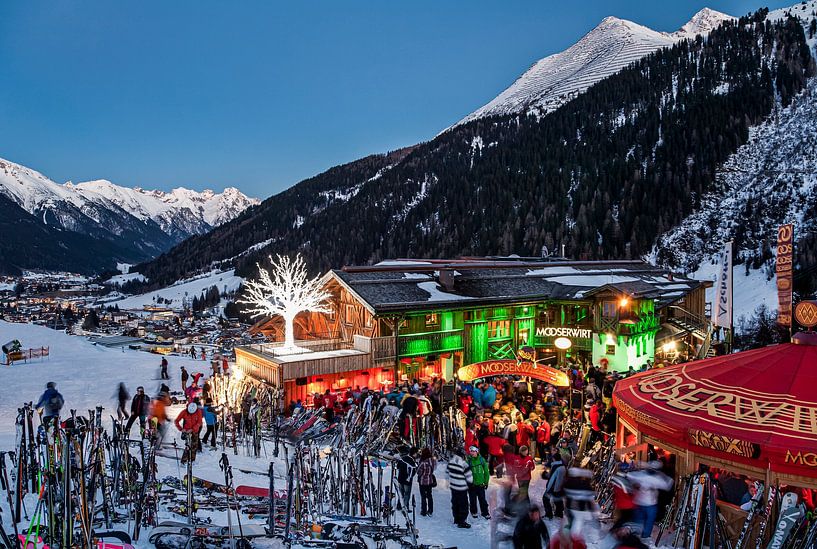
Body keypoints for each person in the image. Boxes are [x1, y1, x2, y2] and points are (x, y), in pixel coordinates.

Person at [629, 461, 673, 539]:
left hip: (649, 503)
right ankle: (637, 536)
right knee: (640, 521)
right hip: (642, 503)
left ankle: (644, 536)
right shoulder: (642, 475)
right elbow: (630, 477)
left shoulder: (657, 478)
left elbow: (668, 484)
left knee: (647, 521)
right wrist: (635, 486)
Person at [447, 448, 473, 528]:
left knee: (455, 502)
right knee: (463, 504)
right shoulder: (464, 464)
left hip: (453, 487)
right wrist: (470, 484)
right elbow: (469, 476)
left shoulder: (451, 463)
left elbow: (447, 474)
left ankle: (456, 518)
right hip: (462, 487)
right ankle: (462, 521)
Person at [466, 446, 490, 519]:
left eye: (473, 451)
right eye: (470, 451)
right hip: (472, 485)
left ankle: (485, 512)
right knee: (472, 500)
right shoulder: (468, 461)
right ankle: (474, 511)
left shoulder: (482, 460)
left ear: (477, 451)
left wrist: (486, 482)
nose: (472, 453)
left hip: (480, 484)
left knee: (482, 500)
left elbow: (486, 472)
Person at [542, 449, 566, 519]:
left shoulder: (555, 467)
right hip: (560, 487)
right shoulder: (562, 466)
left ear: (554, 459)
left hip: (554, 487)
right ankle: (559, 513)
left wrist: (548, 488)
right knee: (557, 499)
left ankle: (549, 514)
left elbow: (552, 478)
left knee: (545, 499)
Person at [417, 448, 437, 517]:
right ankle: (430, 510)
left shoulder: (423, 462)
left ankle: (424, 511)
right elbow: (434, 468)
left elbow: (419, 472)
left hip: (422, 481)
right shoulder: (433, 461)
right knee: (429, 496)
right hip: (430, 481)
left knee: (423, 497)